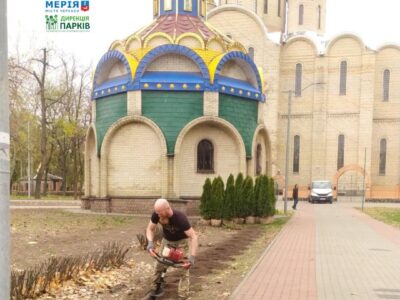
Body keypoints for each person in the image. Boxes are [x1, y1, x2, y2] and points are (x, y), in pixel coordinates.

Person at [146, 198, 198, 299]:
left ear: (167, 208)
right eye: (156, 212)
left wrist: (192, 257)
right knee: (159, 265)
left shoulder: (180, 218)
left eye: (159, 212)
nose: (157, 214)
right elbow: (150, 229)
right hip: (167, 241)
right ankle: (155, 288)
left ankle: (183, 295)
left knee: (184, 268)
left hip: (181, 242)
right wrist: (150, 243)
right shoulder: (156, 214)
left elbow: (193, 236)